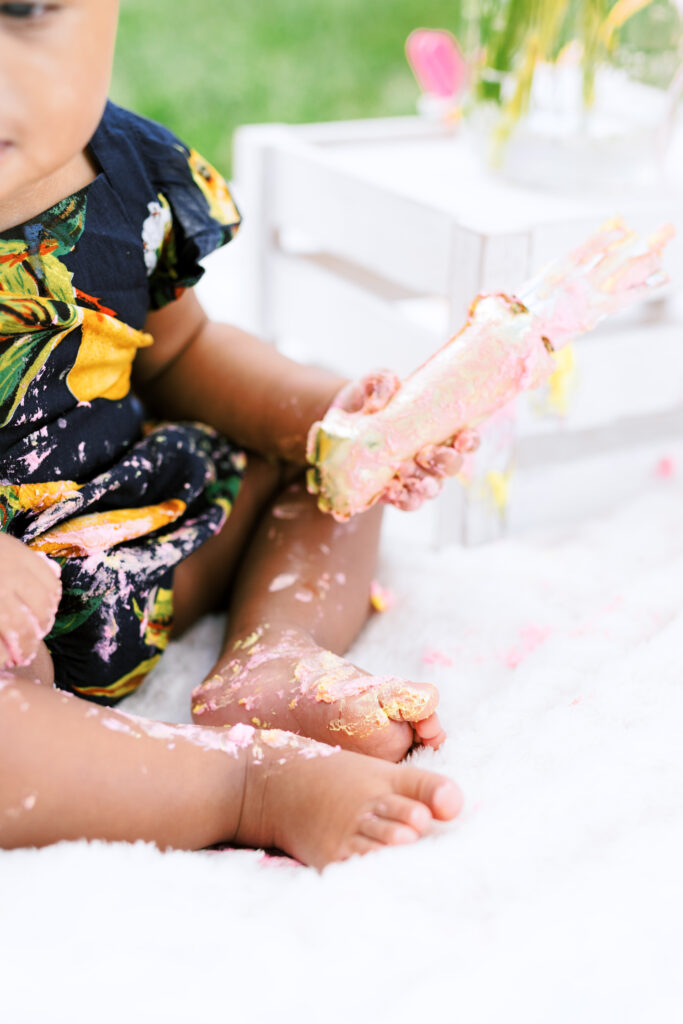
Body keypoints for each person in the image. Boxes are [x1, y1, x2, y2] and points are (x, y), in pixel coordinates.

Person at [0, 0, 468, 869]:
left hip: (132, 531)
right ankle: (239, 784)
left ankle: (277, 650)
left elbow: (185, 356)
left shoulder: (124, 171)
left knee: (324, 468)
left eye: (23, 9)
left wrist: (328, 415)